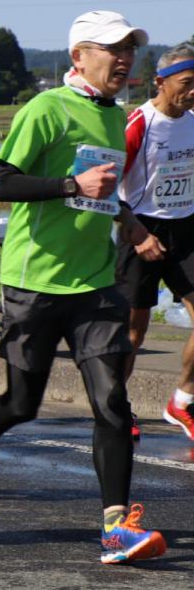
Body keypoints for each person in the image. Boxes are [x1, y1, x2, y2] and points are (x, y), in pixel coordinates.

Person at [0, 10, 166, 565]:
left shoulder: (113, 116)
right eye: (112, 49)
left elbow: (102, 190)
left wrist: (128, 220)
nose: (124, 59)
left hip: (94, 283)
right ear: (78, 56)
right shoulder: (46, 109)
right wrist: (71, 182)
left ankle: (116, 527)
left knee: (113, 402)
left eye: (130, 49)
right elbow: (6, 181)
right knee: (21, 403)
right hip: (33, 282)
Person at [115, 43, 194, 441]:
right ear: (161, 82)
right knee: (134, 331)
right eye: (187, 83)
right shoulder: (138, 125)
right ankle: (116, 407)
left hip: (186, 228)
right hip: (141, 229)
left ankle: (182, 400)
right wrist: (137, 234)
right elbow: (107, 188)